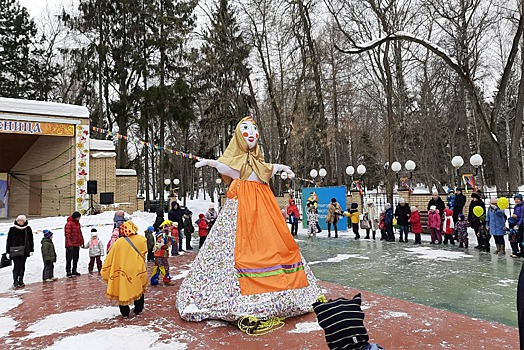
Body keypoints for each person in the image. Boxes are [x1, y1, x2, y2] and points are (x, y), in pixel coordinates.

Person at [176, 116, 320, 322]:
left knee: (277, 243)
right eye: (245, 129)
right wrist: (210, 162)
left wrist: (284, 168)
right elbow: (224, 167)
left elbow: (271, 167)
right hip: (243, 208)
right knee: (239, 246)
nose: (251, 133)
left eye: (254, 129)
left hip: (265, 208)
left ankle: (287, 286)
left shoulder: (260, 164)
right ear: (238, 136)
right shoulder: (238, 164)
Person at [101, 221, 147, 318]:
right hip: (136, 269)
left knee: (123, 289)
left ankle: (125, 312)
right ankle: (138, 309)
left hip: (122, 270)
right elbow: (144, 253)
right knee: (138, 288)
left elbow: (110, 256)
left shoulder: (119, 242)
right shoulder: (141, 239)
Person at [6, 214, 34, 288]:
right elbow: (9, 241)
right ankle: (15, 281)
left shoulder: (27, 229)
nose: (20, 222)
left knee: (22, 266)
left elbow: (31, 240)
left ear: (24, 221)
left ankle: (21, 279)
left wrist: (31, 250)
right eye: (19, 220)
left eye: (22, 221)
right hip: (15, 251)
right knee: (16, 266)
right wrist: (8, 251)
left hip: (24, 251)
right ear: (16, 221)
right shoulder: (12, 229)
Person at [64, 211, 84, 277]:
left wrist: (81, 242)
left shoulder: (78, 224)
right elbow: (67, 235)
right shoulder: (69, 224)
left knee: (76, 258)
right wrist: (69, 244)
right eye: (78, 217)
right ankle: (68, 271)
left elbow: (79, 233)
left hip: (77, 244)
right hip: (70, 245)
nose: (79, 219)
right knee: (69, 258)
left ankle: (74, 270)